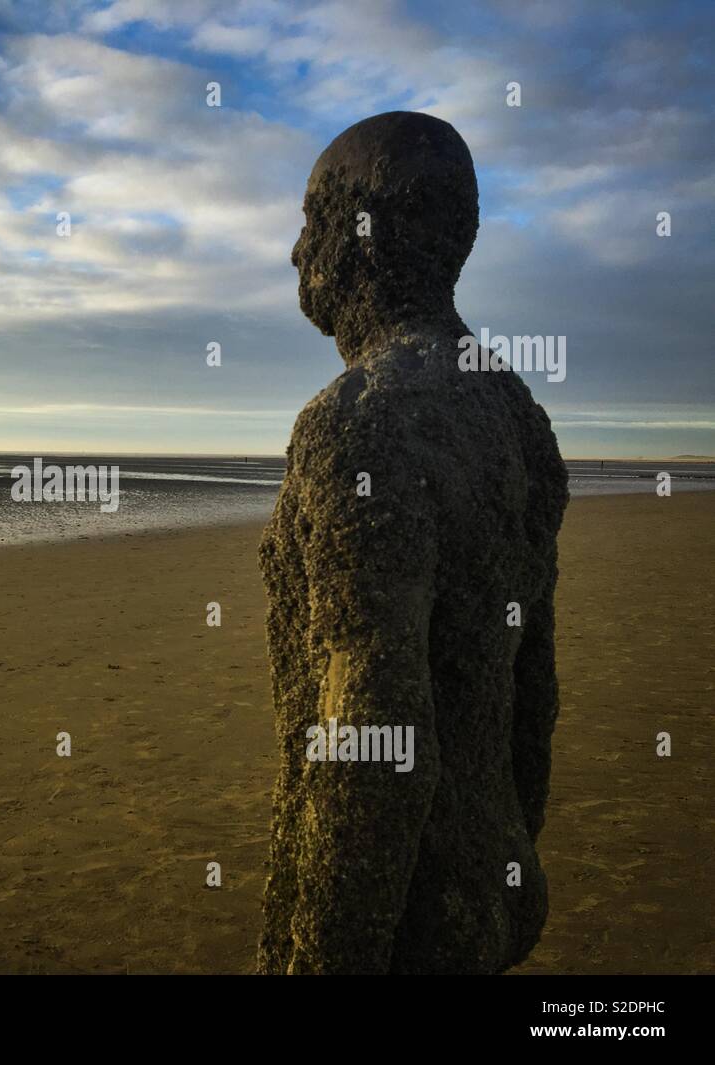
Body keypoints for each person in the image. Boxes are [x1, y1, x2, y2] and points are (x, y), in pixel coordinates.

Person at [257, 111, 569, 974]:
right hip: (492, 889)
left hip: (405, 927)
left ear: (361, 237)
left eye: (311, 222)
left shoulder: (355, 424)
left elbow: (375, 729)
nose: (295, 252)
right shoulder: (515, 414)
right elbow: (531, 689)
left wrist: (324, 958)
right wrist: (505, 853)